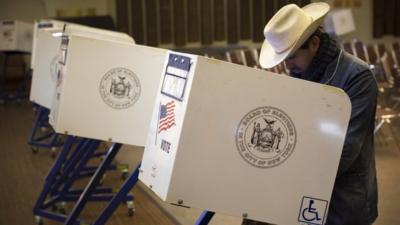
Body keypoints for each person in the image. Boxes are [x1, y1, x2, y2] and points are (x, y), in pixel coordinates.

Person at [243, 2, 378, 225]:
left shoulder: (358, 77)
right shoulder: (300, 74)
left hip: (344, 200)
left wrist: (281, 171)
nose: (288, 67)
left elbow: (344, 152)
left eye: (291, 57)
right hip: (305, 189)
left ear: (314, 43)